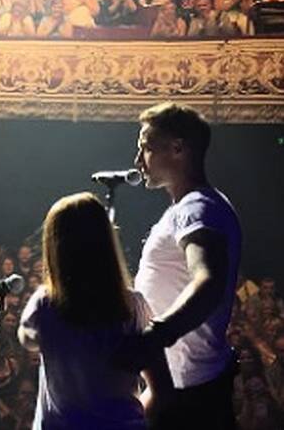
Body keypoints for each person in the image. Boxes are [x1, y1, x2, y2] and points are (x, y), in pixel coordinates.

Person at [130, 102, 242, 429]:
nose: (138, 161)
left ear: (178, 148)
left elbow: (208, 280)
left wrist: (158, 334)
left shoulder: (197, 209)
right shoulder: (192, 207)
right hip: (186, 386)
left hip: (188, 394)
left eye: (147, 148)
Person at [19, 192, 173, 428]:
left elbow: (28, 339)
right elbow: (161, 388)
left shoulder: (44, 305)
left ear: (54, 248)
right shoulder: (133, 306)